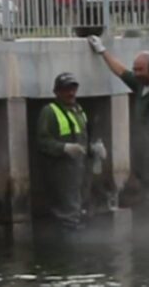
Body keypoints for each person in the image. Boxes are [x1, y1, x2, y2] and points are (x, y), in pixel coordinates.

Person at [87, 36, 149, 224]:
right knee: (142, 203)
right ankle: (145, 238)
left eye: (140, 70)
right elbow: (121, 71)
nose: (136, 73)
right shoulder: (141, 85)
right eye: (135, 69)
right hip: (143, 160)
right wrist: (102, 51)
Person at [37, 72, 107, 229]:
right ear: (57, 91)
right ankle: (67, 246)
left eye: (73, 88)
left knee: (81, 211)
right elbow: (42, 142)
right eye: (66, 89)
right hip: (61, 174)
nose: (71, 93)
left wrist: (94, 149)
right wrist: (64, 148)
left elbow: (83, 141)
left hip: (80, 172)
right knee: (67, 216)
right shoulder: (49, 111)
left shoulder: (79, 110)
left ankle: (77, 242)